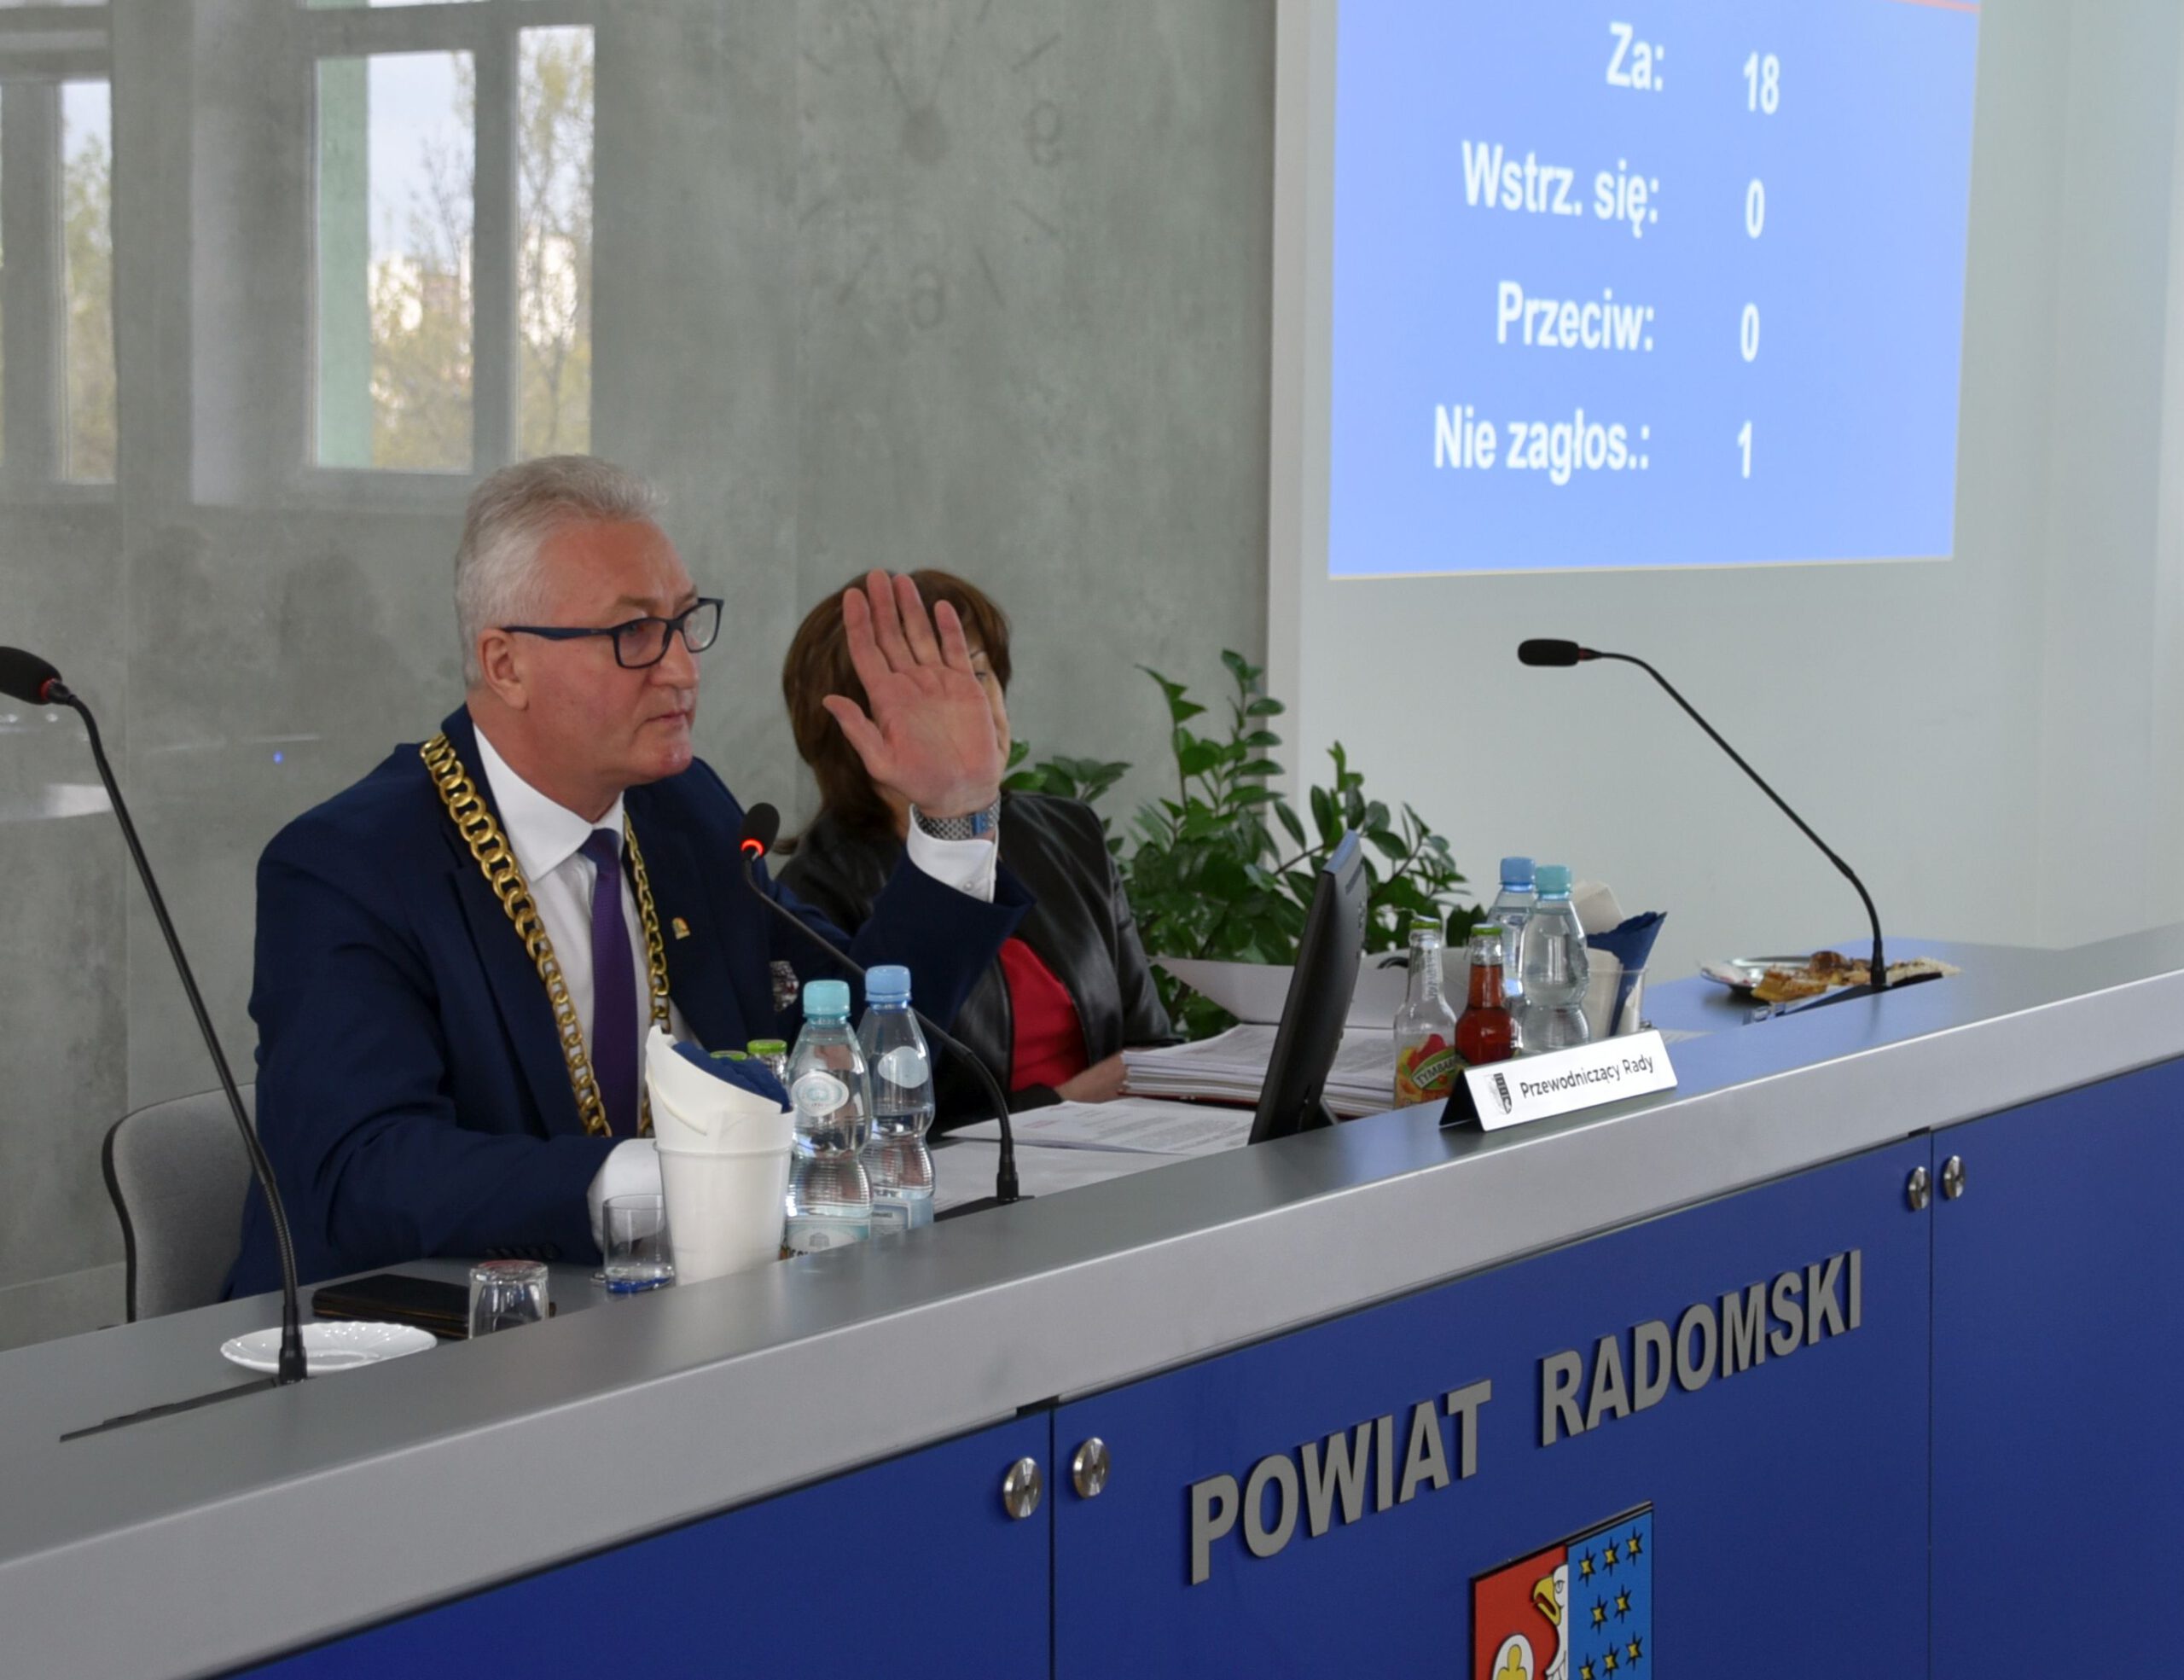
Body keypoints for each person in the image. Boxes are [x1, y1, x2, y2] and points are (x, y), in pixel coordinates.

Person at [226, 458, 1028, 1294]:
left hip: (671, 1320)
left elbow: (846, 1043)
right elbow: (363, 1169)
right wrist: (669, 1180)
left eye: (685, 623)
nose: (681, 668)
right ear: (505, 664)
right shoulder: (349, 866)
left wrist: (954, 812)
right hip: (409, 1342)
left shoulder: (682, 812)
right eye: (634, 633)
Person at [777, 572, 1172, 1128]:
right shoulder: (812, 891)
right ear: (850, 724)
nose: (970, 704)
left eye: (979, 673)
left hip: (1131, 1149)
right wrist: (1064, 1105)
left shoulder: (1070, 832)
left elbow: (1151, 1044)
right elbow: (850, 1113)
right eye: (930, 684)